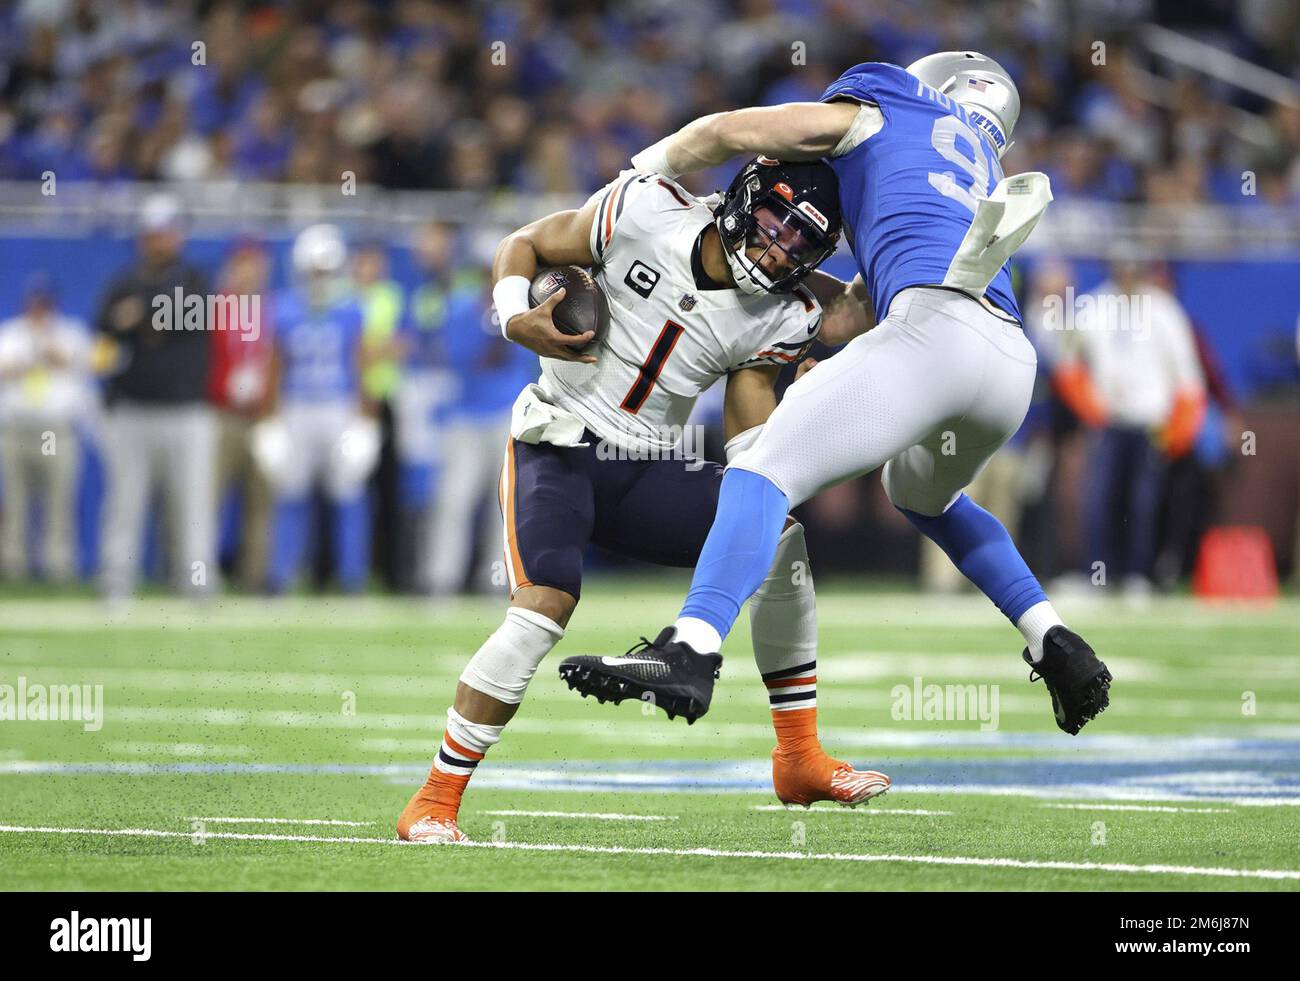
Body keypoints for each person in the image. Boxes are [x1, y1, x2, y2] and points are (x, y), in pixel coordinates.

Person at [563, 51, 1113, 736]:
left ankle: (692, 648)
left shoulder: (889, 103)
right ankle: (1055, 638)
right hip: (1005, 361)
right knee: (921, 493)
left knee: (762, 465)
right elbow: (864, 305)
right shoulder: (978, 161)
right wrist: (848, 355)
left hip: (933, 331)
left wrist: (644, 171)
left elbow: (728, 132)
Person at [396, 158, 887, 844]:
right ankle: (434, 799)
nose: (779, 251)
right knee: (541, 610)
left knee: (778, 538)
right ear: (745, 203)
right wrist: (514, 317)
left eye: (799, 245)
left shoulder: (786, 310)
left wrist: (787, 465)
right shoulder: (646, 207)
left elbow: (752, 437)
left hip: (648, 461)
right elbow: (527, 243)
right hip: (556, 443)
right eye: (775, 226)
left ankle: (799, 756)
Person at [1053, 255, 1206, 596]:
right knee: (1098, 500)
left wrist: (1179, 428)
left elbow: (1187, 374)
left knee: (1143, 504)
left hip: (1151, 421)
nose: (1128, 274)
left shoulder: (1165, 311)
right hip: (1108, 421)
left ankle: (1138, 576)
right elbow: (1067, 364)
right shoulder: (1093, 307)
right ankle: (1096, 575)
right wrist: (1091, 408)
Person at [97, 193, 216, 599]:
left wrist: (142, 315)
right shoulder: (123, 282)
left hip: (186, 411)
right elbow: (106, 331)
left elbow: (193, 313)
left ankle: (196, 580)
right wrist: (145, 320)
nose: (160, 241)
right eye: (153, 234)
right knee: (125, 501)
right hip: (134, 410)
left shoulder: (194, 277)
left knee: (193, 504)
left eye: (166, 233)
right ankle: (116, 580)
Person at [258, 224, 377, 594]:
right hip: (297, 407)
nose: (321, 278)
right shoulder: (285, 309)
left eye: (326, 271)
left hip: (338, 407)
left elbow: (360, 362)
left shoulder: (351, 310)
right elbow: (275, 365)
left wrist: (365, 416)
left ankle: (352, 578)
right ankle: (281, 576)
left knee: (348, 494)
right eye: (315, 270)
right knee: (291, 494)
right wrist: (270, 417)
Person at [0, 274, 95, 581]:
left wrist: (55, 354)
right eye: (34, 304)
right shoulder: (10, 334)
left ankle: (58, 566)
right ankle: (13, 566)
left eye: (45, 304)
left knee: (59, 500)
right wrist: (26, 361)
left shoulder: (70, 332)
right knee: (15, 500)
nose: (39, 310)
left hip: (55, 430)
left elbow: (88, 363)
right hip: (18, 429)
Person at [209, 239, 273, 590]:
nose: (248, 271)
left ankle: (256, 576)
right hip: (223, 413)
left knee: (262, 500)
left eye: (255, 263)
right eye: (242, 263)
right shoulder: (214, 307)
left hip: (262, 415)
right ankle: (201, 573)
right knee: (210, 496)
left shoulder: (272, 308)